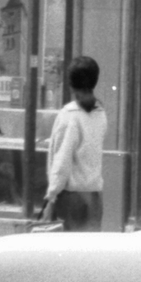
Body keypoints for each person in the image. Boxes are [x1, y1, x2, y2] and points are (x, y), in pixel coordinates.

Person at [44, 56, 107, 231]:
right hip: (95, 197)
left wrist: (52, 195)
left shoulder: (69, 115)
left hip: (72, 198)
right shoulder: (100, 113)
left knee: (68, 253)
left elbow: (62, 159)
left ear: (70, 84)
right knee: (89, 254)